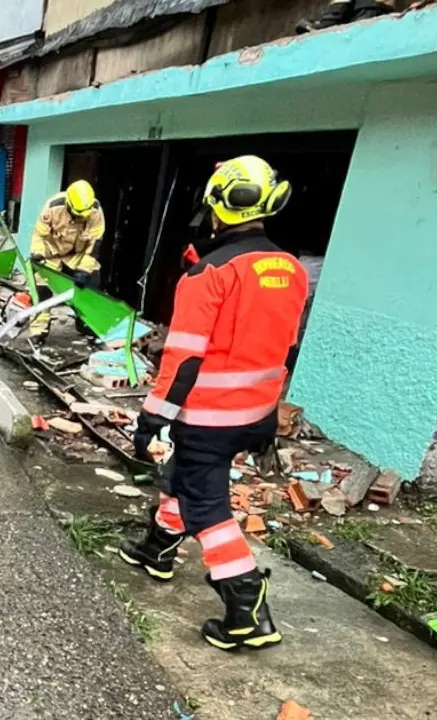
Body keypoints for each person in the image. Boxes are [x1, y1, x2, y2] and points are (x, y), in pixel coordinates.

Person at [120, 155, 309, 652]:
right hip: (257, 415)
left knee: (207, 507)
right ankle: (157, 550)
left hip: (209, 416)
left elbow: (182, 360)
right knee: (184, 477)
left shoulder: (209, 273)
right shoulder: (291, 269)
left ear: (216, 203)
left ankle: (246, 606)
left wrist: (152, 416)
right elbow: (285, 346)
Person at [27, 179, 106, 344]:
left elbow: (94, 245)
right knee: (41, 290)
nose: (80, 218)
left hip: (77, 255)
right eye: (77, 214)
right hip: (51, 254)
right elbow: (39, 235)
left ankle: (87, 325)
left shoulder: (95, 212)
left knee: (91, 287)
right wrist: (38, 253)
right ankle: (38, 331)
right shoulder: (52, 207)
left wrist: (85, 269)